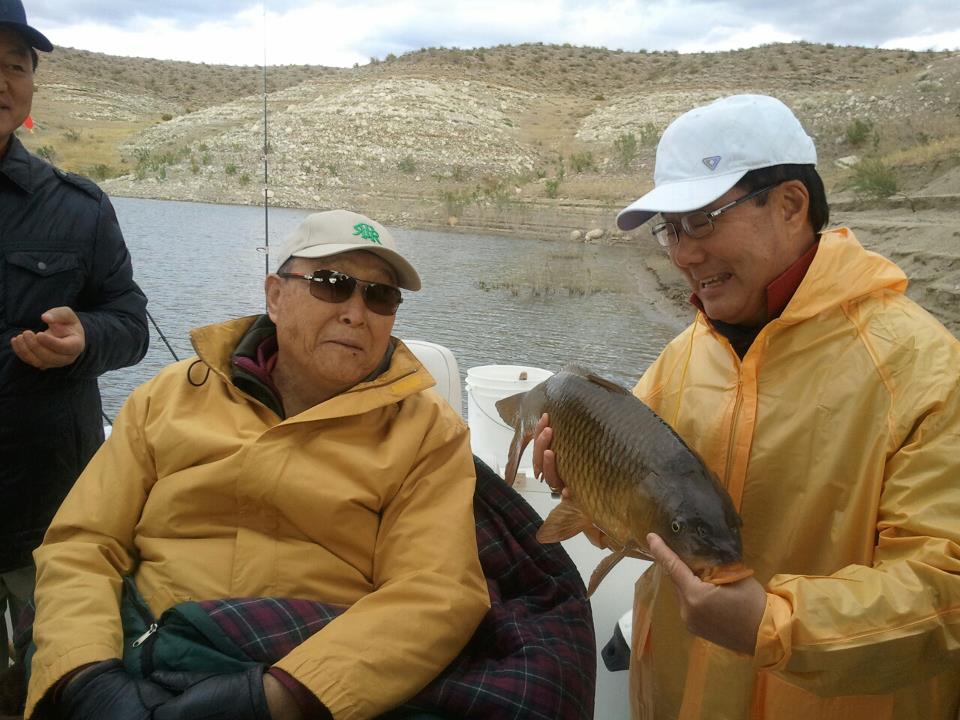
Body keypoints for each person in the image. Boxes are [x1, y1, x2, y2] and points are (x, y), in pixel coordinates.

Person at [535, 94, 960, 719]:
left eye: (701, 221)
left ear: (790, 204)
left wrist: (773, 625)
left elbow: (943, 590)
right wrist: (586, 496)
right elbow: (643, 528)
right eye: (670, 229)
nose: (682, 254)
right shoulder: (684, 356)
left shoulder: (925, 370)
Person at [22, 209, 491, 720]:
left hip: (314, 669)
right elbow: (84, 543)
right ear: (275, 296)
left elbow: (435, 590)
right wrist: (86, 677)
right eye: (332, 284)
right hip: (145, 646)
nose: (357, 314)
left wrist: (279, 698)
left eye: (380, 296)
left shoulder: (426, 429)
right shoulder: (171, 395)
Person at [0, 0, 149, 669]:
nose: (2, 81)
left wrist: (85, 337)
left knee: (59, 677)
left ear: (31, 85)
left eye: (16, 66)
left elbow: (131, 323)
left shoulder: (79, 207)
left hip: (50, 514)